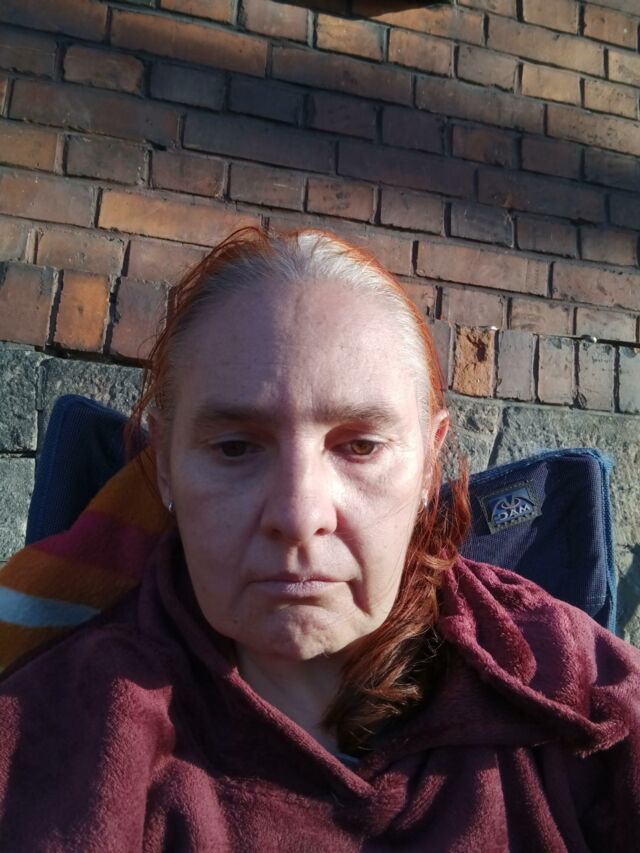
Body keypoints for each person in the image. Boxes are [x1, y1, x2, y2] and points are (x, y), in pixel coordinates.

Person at [0, 227, 638, 851]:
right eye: (235, 447)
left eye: (360, 446)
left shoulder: (580, 685)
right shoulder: (53, 734)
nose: (299, 514)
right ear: (165, 464)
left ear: (429, 466)